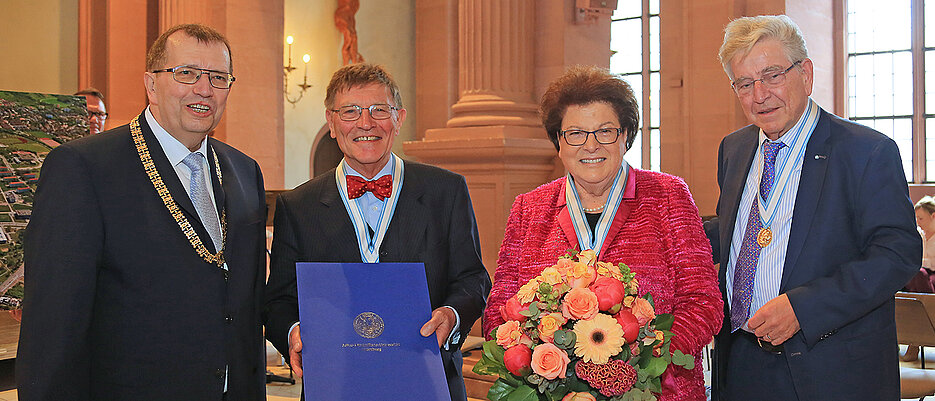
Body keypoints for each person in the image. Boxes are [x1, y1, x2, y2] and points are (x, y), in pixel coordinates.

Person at [17, 24, 267, 400]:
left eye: (218, 77)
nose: (204, 89)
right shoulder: (84, 168)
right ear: (151, 84)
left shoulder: (245, 171)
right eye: (186, 73)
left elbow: (244, 309)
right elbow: (53, 326)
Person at [707, 15, 921, 400]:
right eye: (745, 83)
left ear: (805, 73)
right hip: (739, 362)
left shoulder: (865, 151)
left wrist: (804, 308)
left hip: (829, 368)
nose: (760, 95)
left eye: (773, 75)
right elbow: (734, 230)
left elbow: (897, 254)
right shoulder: (734, 149)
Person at [483, 65, 723, 400]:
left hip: (656, 392)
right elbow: (499, 311)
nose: (591, 145)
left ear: (625, 135)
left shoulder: (668, 196)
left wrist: (638, 364)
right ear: (558, 142)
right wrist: (552, 369)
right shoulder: (529, 208)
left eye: (605, 131)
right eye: (576, 133)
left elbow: (703, 303)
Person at [263, 63, 491, 401]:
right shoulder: (298, 206)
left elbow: (473, 278)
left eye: (378, 110)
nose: (365, 123)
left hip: (427, 381)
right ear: (331, 122)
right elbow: (278, 300)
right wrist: (295, 333)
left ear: (398, 118)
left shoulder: (446, 190)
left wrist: (451, 315)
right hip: (333, 385)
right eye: (350, 111)